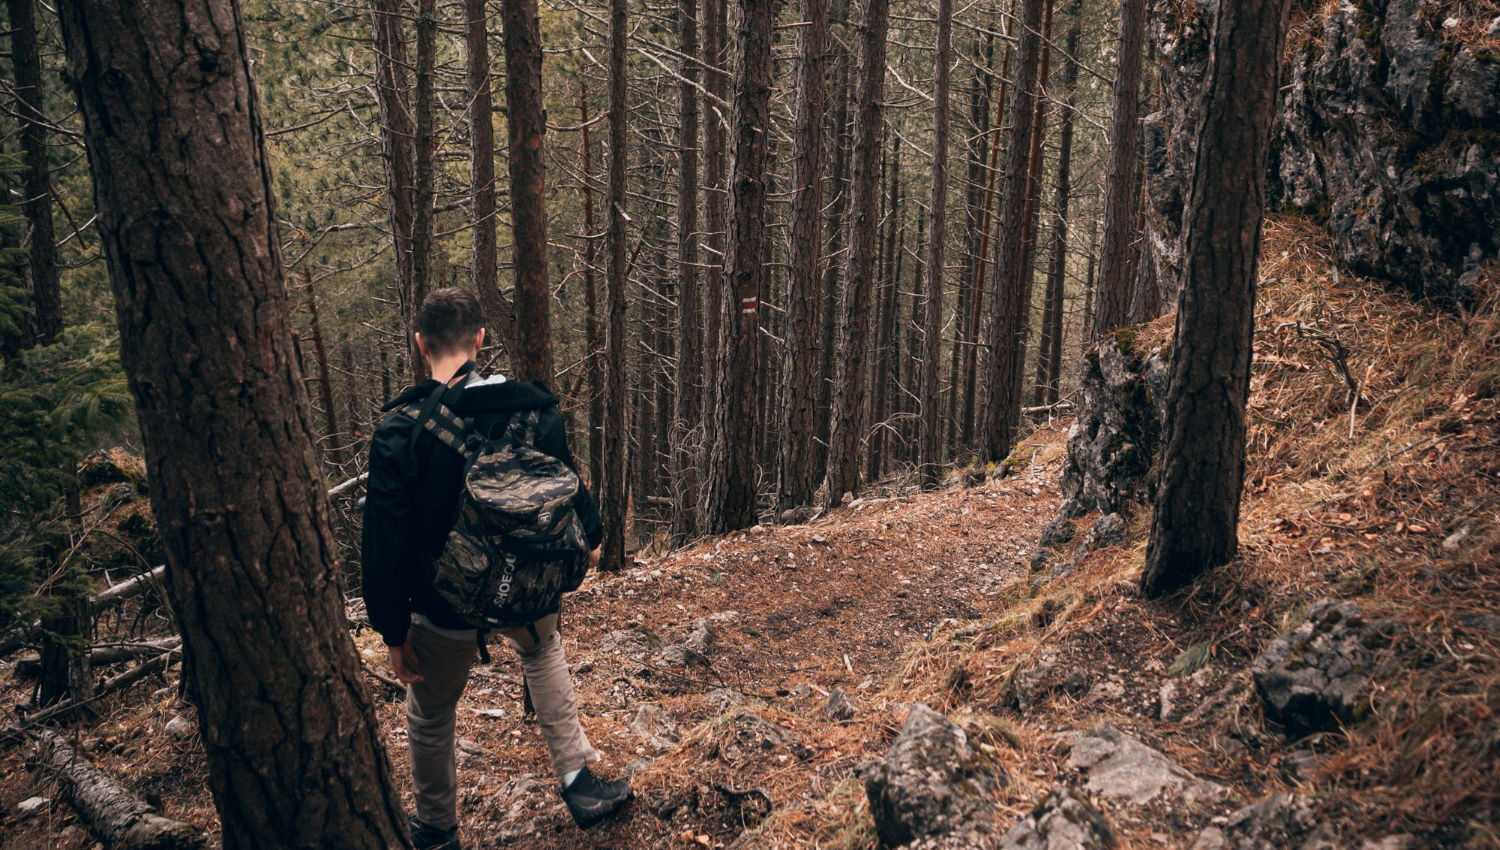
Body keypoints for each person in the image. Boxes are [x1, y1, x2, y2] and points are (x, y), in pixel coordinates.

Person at [362, 288, 632, 850]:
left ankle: (437, 829)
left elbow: (386, 541)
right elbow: (568, 490)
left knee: (430, 716)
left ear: (420, 344)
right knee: (543, 649)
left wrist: (392, 629)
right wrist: (591, 540)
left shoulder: (399, 432)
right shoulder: (532, 410)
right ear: (481, 339)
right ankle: (579, 781)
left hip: (442, 605)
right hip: (525, 585)